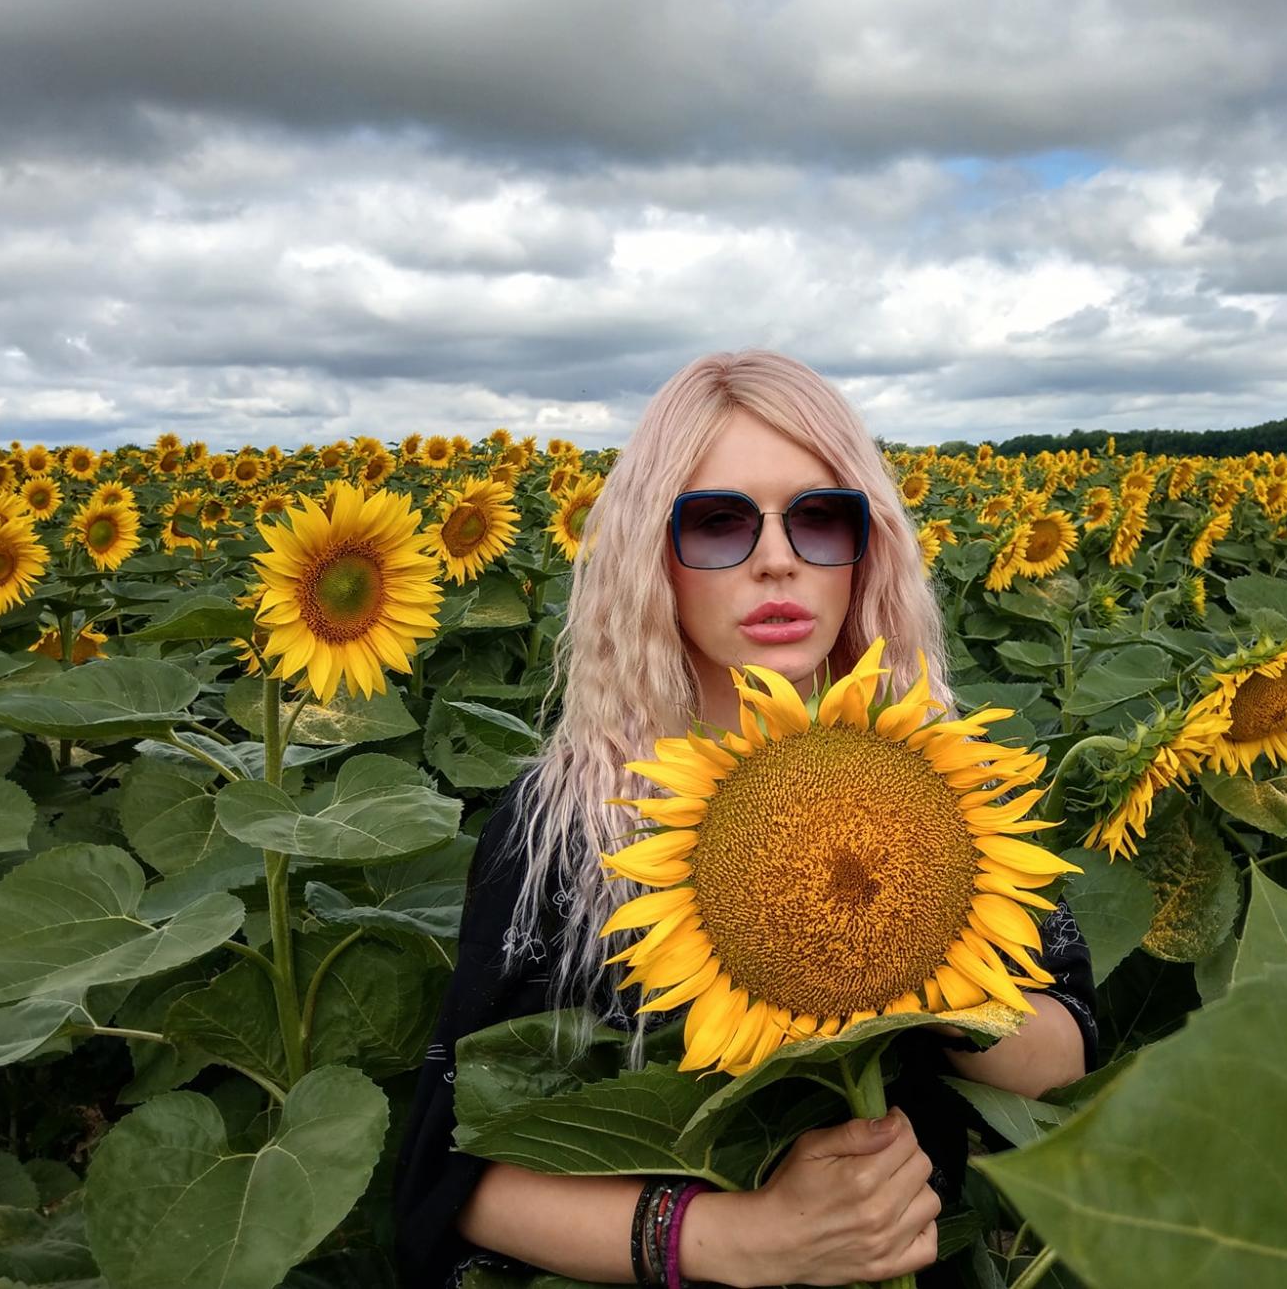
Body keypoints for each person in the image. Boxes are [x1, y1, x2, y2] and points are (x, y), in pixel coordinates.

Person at [392, 350, 1099, 1289]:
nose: (777, 559)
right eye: (719, 522)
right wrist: (735, 1239)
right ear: (653, 557)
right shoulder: (563, 823)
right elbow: (458, 1175)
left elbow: (1064, 1059)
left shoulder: (938, 778)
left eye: (820, 517)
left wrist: (915, 961)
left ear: (868, 549)